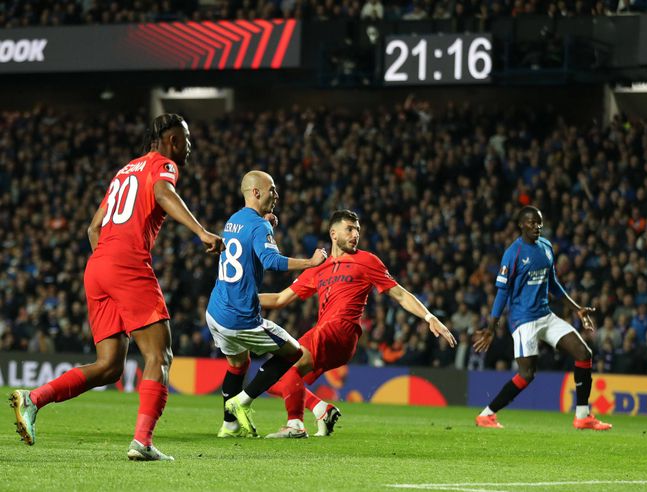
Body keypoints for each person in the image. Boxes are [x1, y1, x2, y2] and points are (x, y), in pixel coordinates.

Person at [9, 114, 223, 460]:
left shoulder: (125, 171)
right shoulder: (164, 165)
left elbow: (93, 228)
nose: (190, 146)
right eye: (186, 138)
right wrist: (201, 232)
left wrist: (108, 265)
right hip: (126, 265)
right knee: (159, 355)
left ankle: (33, 399)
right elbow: (163, 193)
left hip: (98, 267)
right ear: (171, 140)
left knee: (109, 366)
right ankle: (143, 442)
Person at [258, 209, 457, 438]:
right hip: (328, 335)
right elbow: (280, 299)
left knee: (286, 367)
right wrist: (243, 298)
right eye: (350, 229)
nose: (355, 235)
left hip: (341, 330)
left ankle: (295, 425)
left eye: (358, 230)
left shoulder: (367, 260)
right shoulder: (317, 268)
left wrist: (429, 317)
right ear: (333, 234)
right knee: (272, 380)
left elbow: (400, 294)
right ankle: (322, 409)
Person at [206, 170, 327, 438]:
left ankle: (230, 425)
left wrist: (265, 222)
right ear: (257, 193)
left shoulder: (234, 220)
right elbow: (271, 261)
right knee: (294, 352)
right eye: (272, 189)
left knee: (237, 364)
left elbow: (248, 241)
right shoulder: (260, 226)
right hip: (241, 318)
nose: (277, 194)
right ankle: (242, 401)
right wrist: (310, 262)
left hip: (216, 312)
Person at [473, 205, 611, 431]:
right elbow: (502, 292)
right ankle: (487, 415)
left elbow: (553, 284)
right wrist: (491, 327)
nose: (536, 226)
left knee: (584, 353)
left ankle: (583, 416)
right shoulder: (513, 254)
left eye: (539, 222)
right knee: (527, 374)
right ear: (521, 224)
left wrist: (577, 309)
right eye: (531, 222)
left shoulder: (546, 247)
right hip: (523, 320)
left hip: (545, 315)